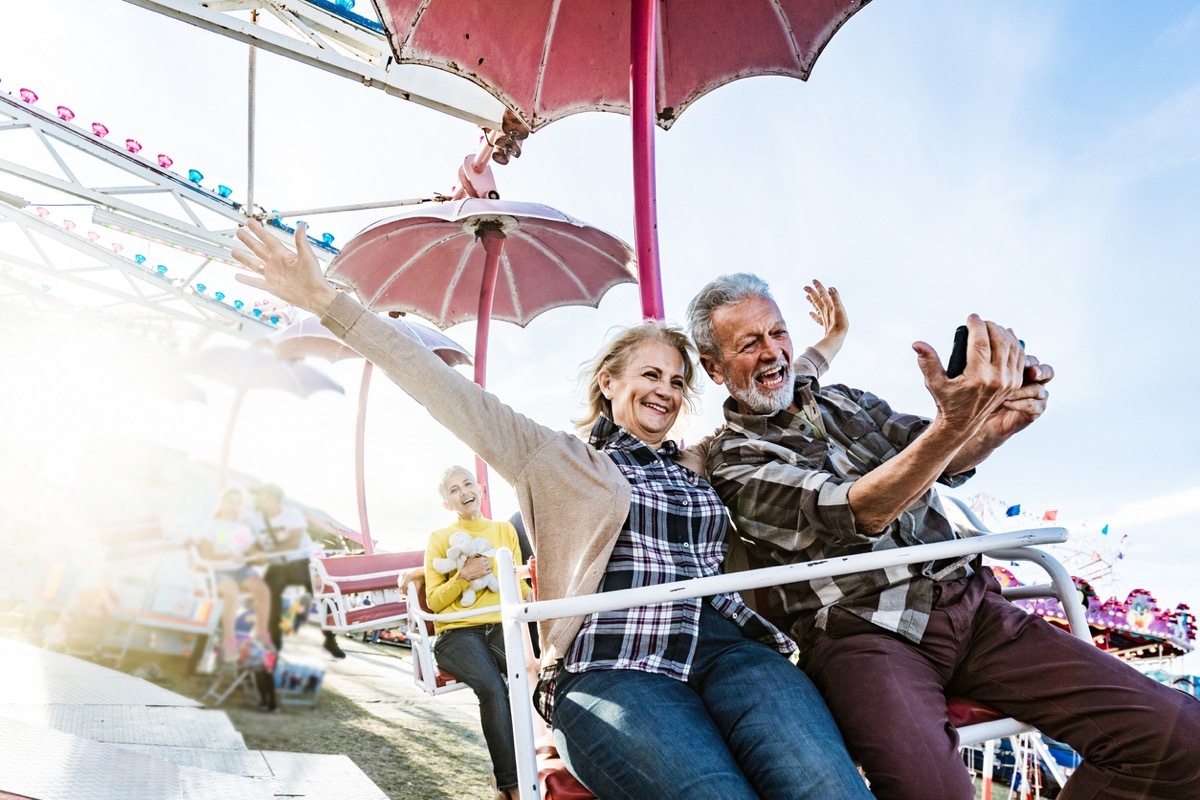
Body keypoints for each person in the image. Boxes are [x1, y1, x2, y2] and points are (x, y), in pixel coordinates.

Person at [233, 220, 871, 800]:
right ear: (609, 382)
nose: (666, 392)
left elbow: (774, 380)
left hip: (725, 648)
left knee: (825, 787)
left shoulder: (698, 460)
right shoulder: (554, 459)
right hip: (615, 666)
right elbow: (438, 384)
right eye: (650, 375)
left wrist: (829, 343)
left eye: (678, 383)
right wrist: (327, 304)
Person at [687, 273, 1200, 800]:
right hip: (864, 635)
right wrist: (955, 427)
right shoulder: (734, 459)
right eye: (750, 344)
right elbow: (860, 509)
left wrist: (993, 427)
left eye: (778, 333)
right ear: (714, 367)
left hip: (972, 608)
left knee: (1185, 742)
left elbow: (941, 457)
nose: (773, 352)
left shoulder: (846, 400)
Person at [426, 466, 526, 800]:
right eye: (454, 489)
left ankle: (542, 763)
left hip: (499, 624)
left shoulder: (503, 531)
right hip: (457, 634)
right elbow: (435, 602)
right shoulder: (439, 540)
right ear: (448, 504)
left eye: (468, 483)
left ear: (480, 488)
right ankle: (511, 786)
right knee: (493, 688)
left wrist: (528, 594)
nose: (464, 491)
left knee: (530, 677)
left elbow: (520, 584)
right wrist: (463, 576)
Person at [245, 482, 345, 660]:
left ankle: (330, 639)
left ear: (271, 498)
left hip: (301, 562)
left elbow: (292, 542)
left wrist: (263, 553)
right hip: (276, 565)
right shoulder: (255, 520)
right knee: (269, 602)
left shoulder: (292, 515)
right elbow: (250, 543)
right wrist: (253, 552)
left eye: (260, 495)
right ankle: (273, 644)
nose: (256, 499)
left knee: (325, 598)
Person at [195, 486, 273, 663]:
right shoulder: (210, 527)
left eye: (238, 504)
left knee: (262, 589)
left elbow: (252, 550)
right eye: (230, 502)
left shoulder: (241, 529)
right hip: (217, 571)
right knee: (231, 593)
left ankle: (261, 633)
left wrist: (260, 555)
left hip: (238, 570)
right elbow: (207, 555)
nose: (233, 506)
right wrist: (229, 555)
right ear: (222, 503)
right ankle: (228, 642)